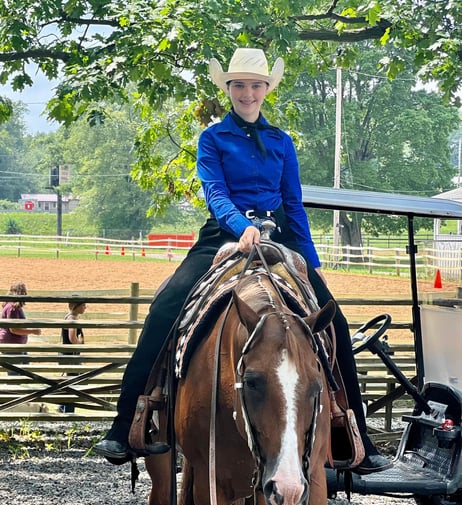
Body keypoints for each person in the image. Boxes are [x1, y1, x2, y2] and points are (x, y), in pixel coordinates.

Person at [94, 47, 392, 474]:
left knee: (335, 324)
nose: (247, 93)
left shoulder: (281, 142)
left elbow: (294, 202)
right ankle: (125, 425)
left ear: (266, 90)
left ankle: (353, 435)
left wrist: (310, 260)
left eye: (255, 85)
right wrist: (240, 226)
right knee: (165, 307)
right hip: (224, 232)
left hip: (280, 233)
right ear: (228, 89)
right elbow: (215, 194)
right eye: (239, 86)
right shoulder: (213, 138)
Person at [59, 299, 87, 413]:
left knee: (70, 381)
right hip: (71, 356)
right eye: (83, 305)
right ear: (76, 306)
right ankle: (69, 410)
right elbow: (72, 338)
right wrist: (80, 344)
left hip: (68, 355)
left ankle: (63, 406)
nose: (85, 307)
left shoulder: (69, 317)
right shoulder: (72, 319)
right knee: (73, 382)